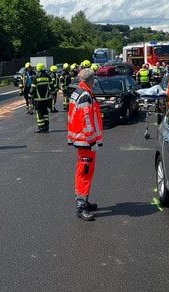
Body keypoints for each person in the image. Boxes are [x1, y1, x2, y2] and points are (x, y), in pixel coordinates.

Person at [67, 68, 103, 221]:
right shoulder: (85, 95)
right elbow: (86, 120)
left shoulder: (78, 92)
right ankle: (81, 207)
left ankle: (83, 201)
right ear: (91, 80)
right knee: (85, 173)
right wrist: (92, 140)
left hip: (81, 139)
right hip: (85, 141)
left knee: (82, 172)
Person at [30, 62, 53, 133]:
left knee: (39, 113)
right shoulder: (48, 76)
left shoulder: (36, 77)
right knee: (45, 112)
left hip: (38, 99)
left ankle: (40, 127)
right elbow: (52, 87)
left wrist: (30, 96)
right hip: (46, 98)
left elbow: (32, 89)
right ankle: (46, 127)